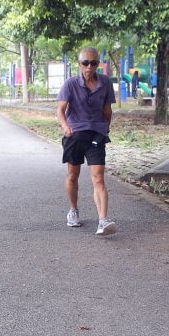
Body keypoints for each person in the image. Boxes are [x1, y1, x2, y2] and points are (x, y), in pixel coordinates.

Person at [57, 47, 118, 236]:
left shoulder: (105, 83)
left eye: (93, 63)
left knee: (98, 177)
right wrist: (66, 127)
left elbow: (107, 111)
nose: (89, 67)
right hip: (75, 134)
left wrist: (104, 129)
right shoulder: (70, 84)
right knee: (73, 175)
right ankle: (73, 211)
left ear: (98, 64)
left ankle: (103, 220)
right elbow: (60, 110)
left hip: (96, 134)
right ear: (79, 64)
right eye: (85, 63)